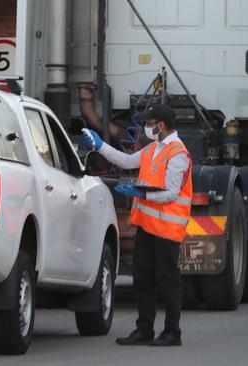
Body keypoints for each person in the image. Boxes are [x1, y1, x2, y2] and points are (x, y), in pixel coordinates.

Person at [83, 104, 192, 346]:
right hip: (147, 227)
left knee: (167, 280)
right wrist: (100, 145)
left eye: (150, 123)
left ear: (160, 126)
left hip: (166, 229)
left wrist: (141, 195)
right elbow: (126, 160)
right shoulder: (153, 149)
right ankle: (144, 330)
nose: (147, 127)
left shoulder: (178, 154)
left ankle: (173, 332)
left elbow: (171, 193)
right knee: (142, 277)